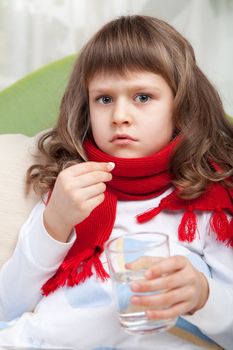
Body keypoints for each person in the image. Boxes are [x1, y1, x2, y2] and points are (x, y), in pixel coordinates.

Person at [0, 15, 233, 350]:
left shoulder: (210, 199)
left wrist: (202, 295)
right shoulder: (71, 189)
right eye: (104, 99)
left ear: (180, 107)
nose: (119, 115)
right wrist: (55, 223)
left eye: (142, 97)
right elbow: (9, 305)